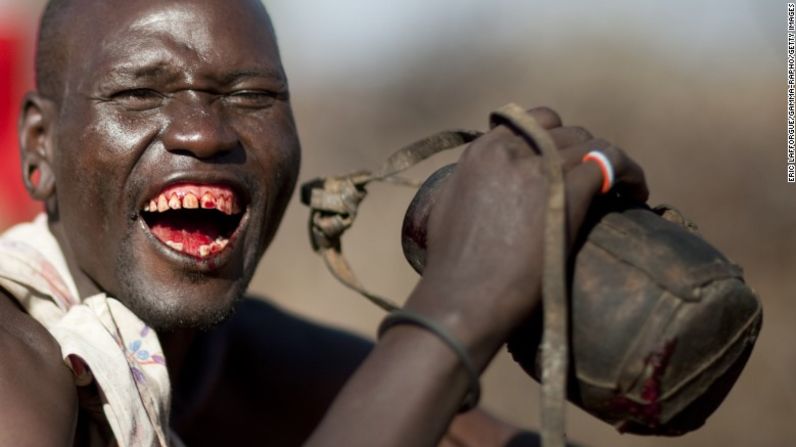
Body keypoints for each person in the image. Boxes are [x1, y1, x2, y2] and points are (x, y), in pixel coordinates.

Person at [0, 0, 648, 445]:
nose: (204, 133)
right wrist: (464, 303)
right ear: (39, 148)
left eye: (252, 96)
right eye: (139, 93)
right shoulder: (17, 360)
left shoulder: (268, 368)